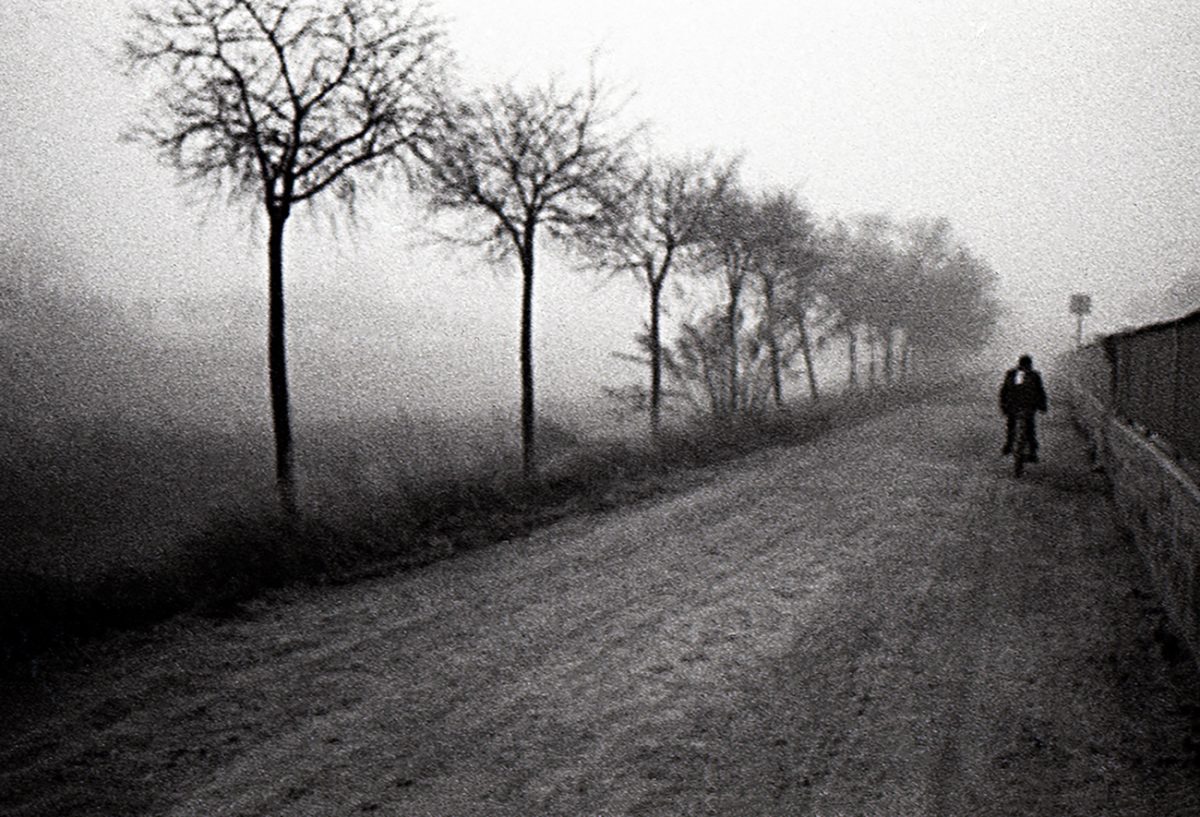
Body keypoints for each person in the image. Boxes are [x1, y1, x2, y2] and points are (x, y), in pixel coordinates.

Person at [999, 354, 1048, 461]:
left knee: (1011, 426)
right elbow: (1040, 392)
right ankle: (1032, 451)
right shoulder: (1034, 375)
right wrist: (1043, 406)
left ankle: (1008, 446)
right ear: (1030, 364)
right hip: (1028, 406)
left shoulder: (1011, 374)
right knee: (1030, 428)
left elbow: (1004, 391)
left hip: (1012, 406)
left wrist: (1003, 405)